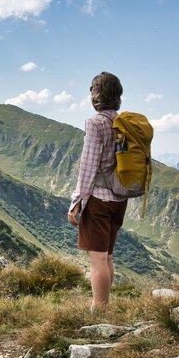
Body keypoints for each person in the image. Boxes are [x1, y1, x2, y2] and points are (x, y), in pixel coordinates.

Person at [68, 71, 127, 310]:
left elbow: (88, 166)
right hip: (119, 198)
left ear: (98, 94)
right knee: (108, 256)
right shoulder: (123, 123)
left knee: (97, 259)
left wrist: (76, 202)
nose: (91, 94)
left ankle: (99, 310)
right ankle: (103, 305)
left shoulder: (96, 123)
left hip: (98, 199)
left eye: (92, 89)